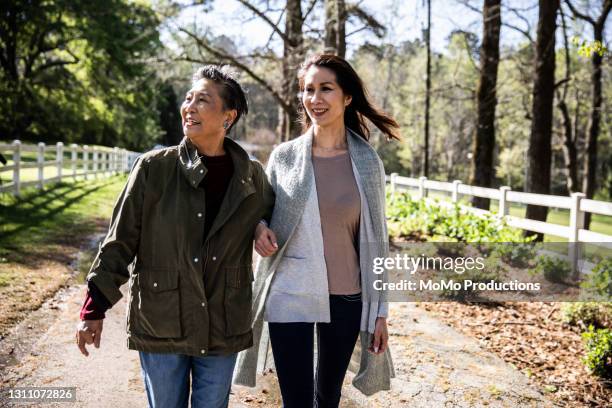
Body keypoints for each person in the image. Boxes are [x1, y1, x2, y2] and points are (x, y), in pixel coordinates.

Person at [75, 65, 274, 408]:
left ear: (228, 116)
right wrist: (94, 308)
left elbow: (272, 213)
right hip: (161, 319)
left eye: (203, 100)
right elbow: (120, 241)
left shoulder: (251, 176)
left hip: (223, 322)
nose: (190, 107)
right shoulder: (153, 168)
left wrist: (259, 225)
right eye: (188, 98)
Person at [235, 54, 399, 407]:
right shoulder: (284, 157)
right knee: (296, 399)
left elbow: (377, 241)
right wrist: (258, 228)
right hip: (291, 290)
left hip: (346, 295)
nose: (315, 99)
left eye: (326, 89)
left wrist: (380, 312)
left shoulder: (367, 162)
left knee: (327, 396)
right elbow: (259, 211)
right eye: (309, 90)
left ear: (347, 97)